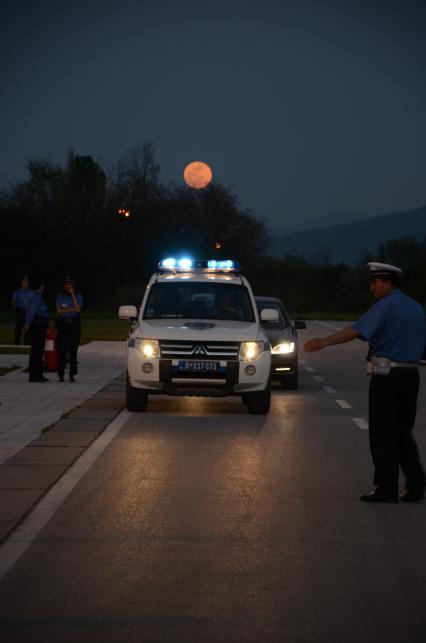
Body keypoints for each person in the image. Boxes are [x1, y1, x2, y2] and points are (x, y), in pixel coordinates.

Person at [304, 262, 426, 503]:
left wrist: (325, 342)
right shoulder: (415, 307)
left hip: (387, 377)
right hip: (411, 376)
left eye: (375, 282)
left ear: (388, 283)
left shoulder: (385, 306)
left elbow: (357, 330)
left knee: (382, 434)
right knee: (402, 433)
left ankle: (386, 488)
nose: (371, 288)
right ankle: (416, 485)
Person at [56, 277, 83, 382]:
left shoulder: (78, 295)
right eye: (66, 284)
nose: (68, 286)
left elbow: (78, 309)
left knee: (73, 350)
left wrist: (72, 295)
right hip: (63, 324)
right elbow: (58, 311)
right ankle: (61, 374)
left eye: (70, 284)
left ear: (73, 285)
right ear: (64, 285)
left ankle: (72, 374)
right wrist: (71, 309)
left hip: (74, 324)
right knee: (62, 350)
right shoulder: (60, 296)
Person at [24, 279, 50, 382]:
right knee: (37, 351)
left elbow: (27, 310)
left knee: (36, 350)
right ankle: (35, 375)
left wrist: (27, 323)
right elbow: (32, 311)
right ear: (41, 286)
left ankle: (37, 374)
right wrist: (28, 323)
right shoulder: (36, 296)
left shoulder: (30, 295)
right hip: (38, 323)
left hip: (36, 323)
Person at [11, 276, 31, 345]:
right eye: (24, 282)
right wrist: (15, 309)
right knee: (18, 329)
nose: (26, 284)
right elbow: (13, 301)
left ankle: (27, 344)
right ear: (21, 283)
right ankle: (16, 344)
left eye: (27, 283)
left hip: (28, 313)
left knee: (27, 329)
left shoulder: (30, 292)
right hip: (19, 312)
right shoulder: (18, 292)